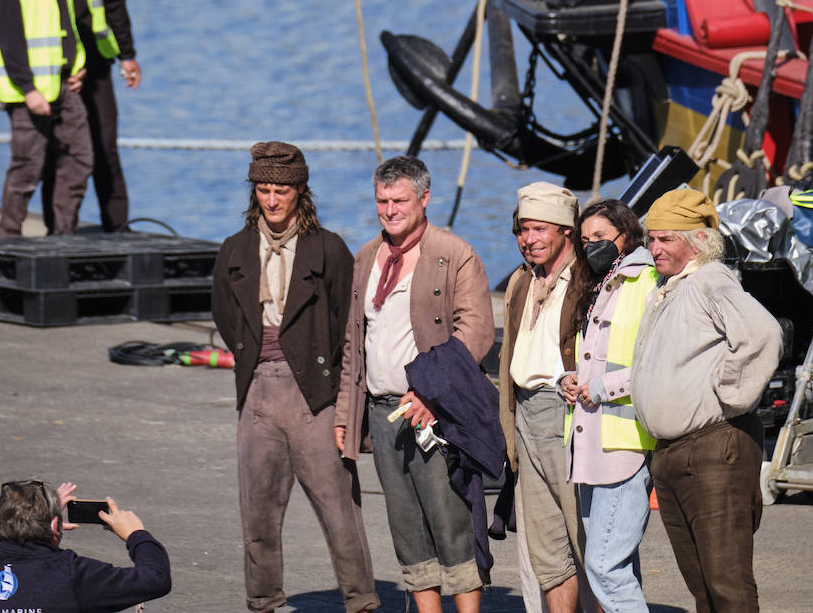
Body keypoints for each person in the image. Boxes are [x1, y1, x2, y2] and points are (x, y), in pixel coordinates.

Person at [211, 142, 378, 613]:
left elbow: (350, 325)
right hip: (257, 389)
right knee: (258, 510)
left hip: (314, 392)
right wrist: (255, 357)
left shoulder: (328, 249)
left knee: (338, 508)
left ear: (300, 191)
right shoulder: (235, 249)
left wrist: (344, 404)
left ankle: (362, 601)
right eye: (263, 189)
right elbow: (224, 314)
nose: (271, 200)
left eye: (281, 190)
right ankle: (263, 601)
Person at [334, 155, 495, 613]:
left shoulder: (454, 252)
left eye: (399, 200)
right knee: (406, 528)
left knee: (452, 525)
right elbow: (353, 345)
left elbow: (476, 331)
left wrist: (432, 392)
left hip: (436, 413)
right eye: (382, 200)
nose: (389, 210)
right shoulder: (365, 257)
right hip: (382, 412)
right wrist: (347, 413)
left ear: (424, 199)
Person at [630, 188, 782, 613]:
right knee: (702, 584)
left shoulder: (709, 280)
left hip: (713, 448)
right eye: (651, 239)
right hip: (675, 452)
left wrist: (728, 393)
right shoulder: (672, 286)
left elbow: (763, 334)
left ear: (697, 241)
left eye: (666, 239)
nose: (654, 248)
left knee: (726, 583)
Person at [12, 0, 140, 233]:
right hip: (52, 68)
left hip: (96, 62)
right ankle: (59, 232)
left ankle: (118, 229)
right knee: (59, 153)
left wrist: (127, 54)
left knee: (105, 147)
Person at [558, 199, 659, 613]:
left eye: (601, 237)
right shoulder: (600, 283)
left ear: (626, 234)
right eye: (585, 241)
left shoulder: (648, 282)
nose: (592, 246)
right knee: (618, 563)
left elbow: (656, 362)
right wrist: (570, 379)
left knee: (603, 566)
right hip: (588, 441)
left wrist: (602, 387)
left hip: (625, 443)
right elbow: (592, 358)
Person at [499, 182, 586, 613]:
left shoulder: (589, 281)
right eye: (522, 230)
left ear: (566, 230)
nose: (528, 239)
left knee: (589, 546)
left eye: (538, 230)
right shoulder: (521, 281)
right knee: (549, 553)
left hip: (567, 417)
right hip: (526, 414)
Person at [0, 0, 93, 237]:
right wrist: (28, 89)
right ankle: (8, 241)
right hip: (30, 93)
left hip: (64, 86)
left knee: (80, 160)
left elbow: (63, 25)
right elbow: (10, 37)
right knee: (27, 170)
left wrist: (77, 64)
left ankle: (62, 238)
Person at [0, 479, 170, 613]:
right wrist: (136, 535)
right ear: (55, 524)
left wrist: (30, 515)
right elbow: (156, 578)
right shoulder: (70, 574)